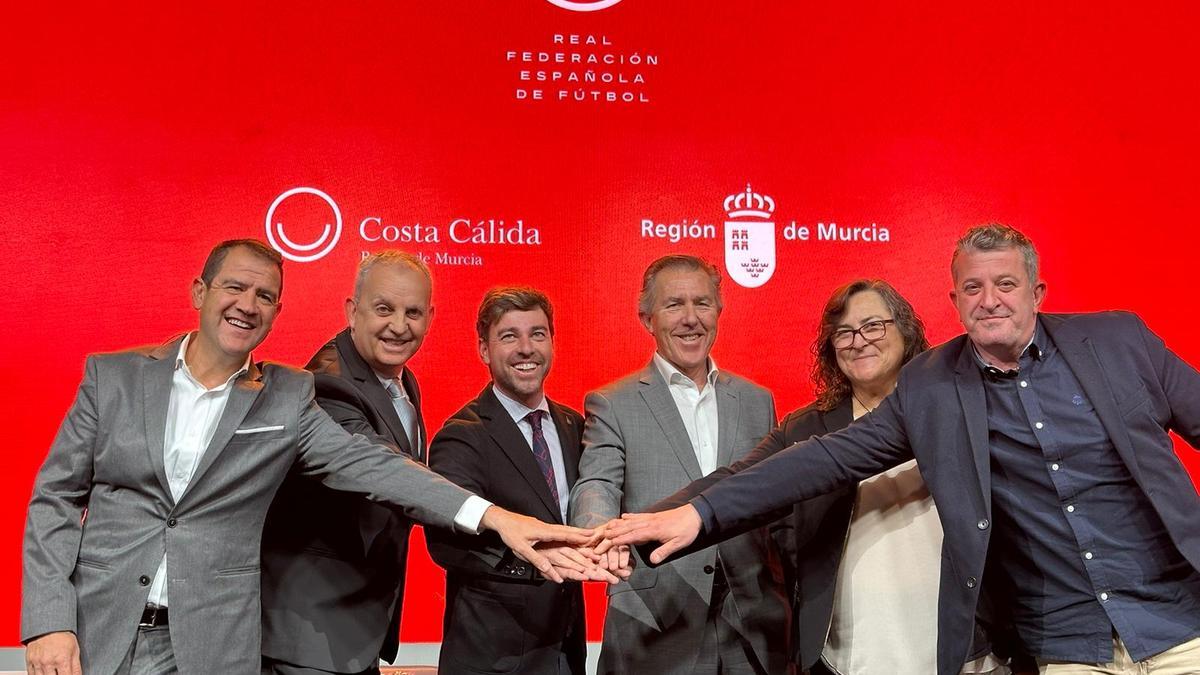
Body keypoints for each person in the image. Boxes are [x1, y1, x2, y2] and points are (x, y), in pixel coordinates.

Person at [609, 224, 1200, 675]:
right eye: (973, 287)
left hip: (1179, 623)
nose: (989, 299)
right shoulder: (934, 388)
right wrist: (693, 514)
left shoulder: (1120, 341)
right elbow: (819, 461)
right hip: (1070, 646)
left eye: (1005, 284)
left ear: (1037, 291)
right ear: (954, 301)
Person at [21, 239, 593, 675]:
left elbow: (374, 466)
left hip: (216, 645)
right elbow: (55, 498)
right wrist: (47, 621)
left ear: (277, 312)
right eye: (234, 289)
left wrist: (496, 518)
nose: (247, 305)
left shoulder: (287, 396)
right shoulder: (113, 376)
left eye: (265, 296)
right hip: (96, 633)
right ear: (200, 292)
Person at [632, 279, 1007, 674]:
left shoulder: (958, 408)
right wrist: (646, 525)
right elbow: (737, 479)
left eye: (873, 326)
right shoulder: (805, 427)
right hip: (848, 657)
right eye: (842, 333)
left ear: (906, 330)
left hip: (965, 652)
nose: (858, 341)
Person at [569, 254, 789, 675]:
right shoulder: (613, 402)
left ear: (719, 312)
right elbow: (596, 482)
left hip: (754, 632)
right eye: (674, 305)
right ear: (646, 318)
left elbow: (779, 507)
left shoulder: (757, 400)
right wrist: (601, 534)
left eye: (702, 304)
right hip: (657, 625)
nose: (691, 318)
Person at [260, 251, 437, 674]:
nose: (399, 325)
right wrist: (499, 521)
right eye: (383, 309)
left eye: (413, 312)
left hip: (354, 631)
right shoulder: (329, 384)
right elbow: (389, 475)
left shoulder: (399, 378)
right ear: (351, 310)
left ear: (430, 316)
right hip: (312, 635)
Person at [427, 286, 609, 675]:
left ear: (552, 343)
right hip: (494, 659)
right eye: (509, 336)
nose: (526, 348)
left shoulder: (573, 425)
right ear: (483, 349)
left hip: (567, 650)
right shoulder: (462, 434)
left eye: (538, 334)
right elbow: (445, 542)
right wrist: (536, 561)